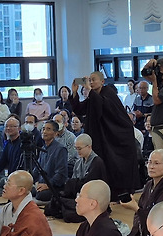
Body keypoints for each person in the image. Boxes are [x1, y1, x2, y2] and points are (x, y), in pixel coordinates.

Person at [71, 70, 141, 200]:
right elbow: (80, 109)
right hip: (100, 136)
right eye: (89, 80)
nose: (91, 82)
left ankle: (118, 192)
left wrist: (88, 89)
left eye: (93, 80)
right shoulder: (93, 96)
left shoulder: (109, 93)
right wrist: (75, 93)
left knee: (113, 164)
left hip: (115, 136)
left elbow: (103, 105)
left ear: (102, 81)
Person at [46, 133, 107, 221]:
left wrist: (73, 184)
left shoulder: (97, 163)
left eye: (79, 148)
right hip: (78, 196)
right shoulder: (78, 162)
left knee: (68, 215)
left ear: (89, 147)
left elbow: (89, 185)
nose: (77, 151)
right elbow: (73, 181)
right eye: (76, 148)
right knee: (54, 203)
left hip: (91, 200)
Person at [0, 116, 29, 195]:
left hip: (20, 178)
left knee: (3, 181)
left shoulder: (22, 144)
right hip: (11, 176)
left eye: (11, 126)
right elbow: (2, 161)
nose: (8, 128)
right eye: (6, 126)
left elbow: (19, 166)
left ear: (19, 128)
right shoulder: (9, 144)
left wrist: (10, 180)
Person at [32, 120, 70, 203]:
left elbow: (61, 173)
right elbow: (37, 169)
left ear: (55, 133)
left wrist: (48, 185)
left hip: (54, 186)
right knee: (27, 190)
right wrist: (35, 182)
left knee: (40, 195)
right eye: (43, 129)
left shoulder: (60, 149)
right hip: (41, 184)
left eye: (48, 129)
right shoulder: (43, 148)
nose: (44, 131)